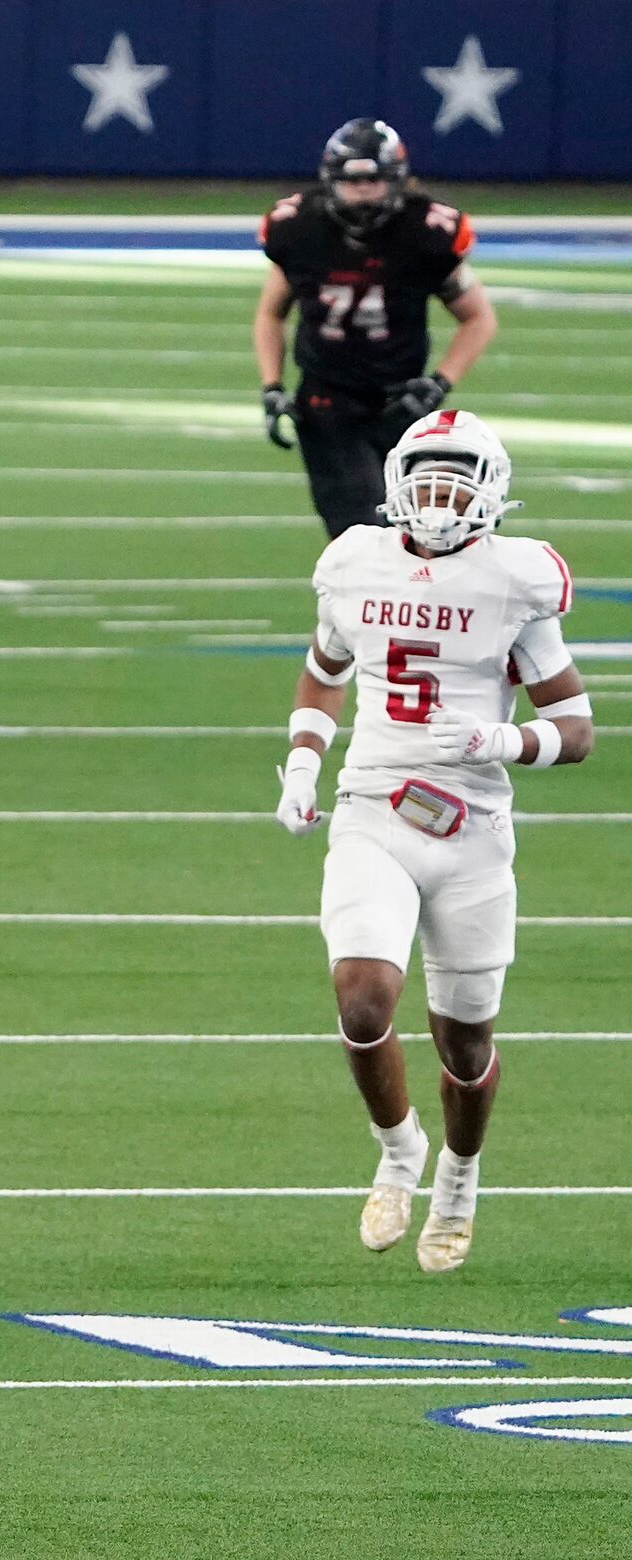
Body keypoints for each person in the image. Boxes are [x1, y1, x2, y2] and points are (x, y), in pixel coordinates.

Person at [274, 410, 593, 1271]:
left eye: (456, 477)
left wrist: (506, 741)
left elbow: (576, 727)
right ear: (395, 480)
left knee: (466, 1044)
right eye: (426, 474)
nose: (438, 494)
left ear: (491, 488)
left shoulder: (516, 580)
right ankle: (397, 1149)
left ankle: (459, 1175)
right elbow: (325, 668)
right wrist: (303, 761)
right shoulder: (354, 562)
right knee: (363, 1001)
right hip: (373, 805)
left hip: (473, 828)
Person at [254, 118, 498, 538]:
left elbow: (478, 317)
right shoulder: (299, 228)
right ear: (330, 182)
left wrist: (437, 384)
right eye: (352, 183)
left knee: (423, 531)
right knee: (362, 533)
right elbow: (271, 313)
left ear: (398, 181)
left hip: (403, 403)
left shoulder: (426, 234)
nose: (362, 194)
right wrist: (272, 386)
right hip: (328, 401)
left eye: (373, 181)